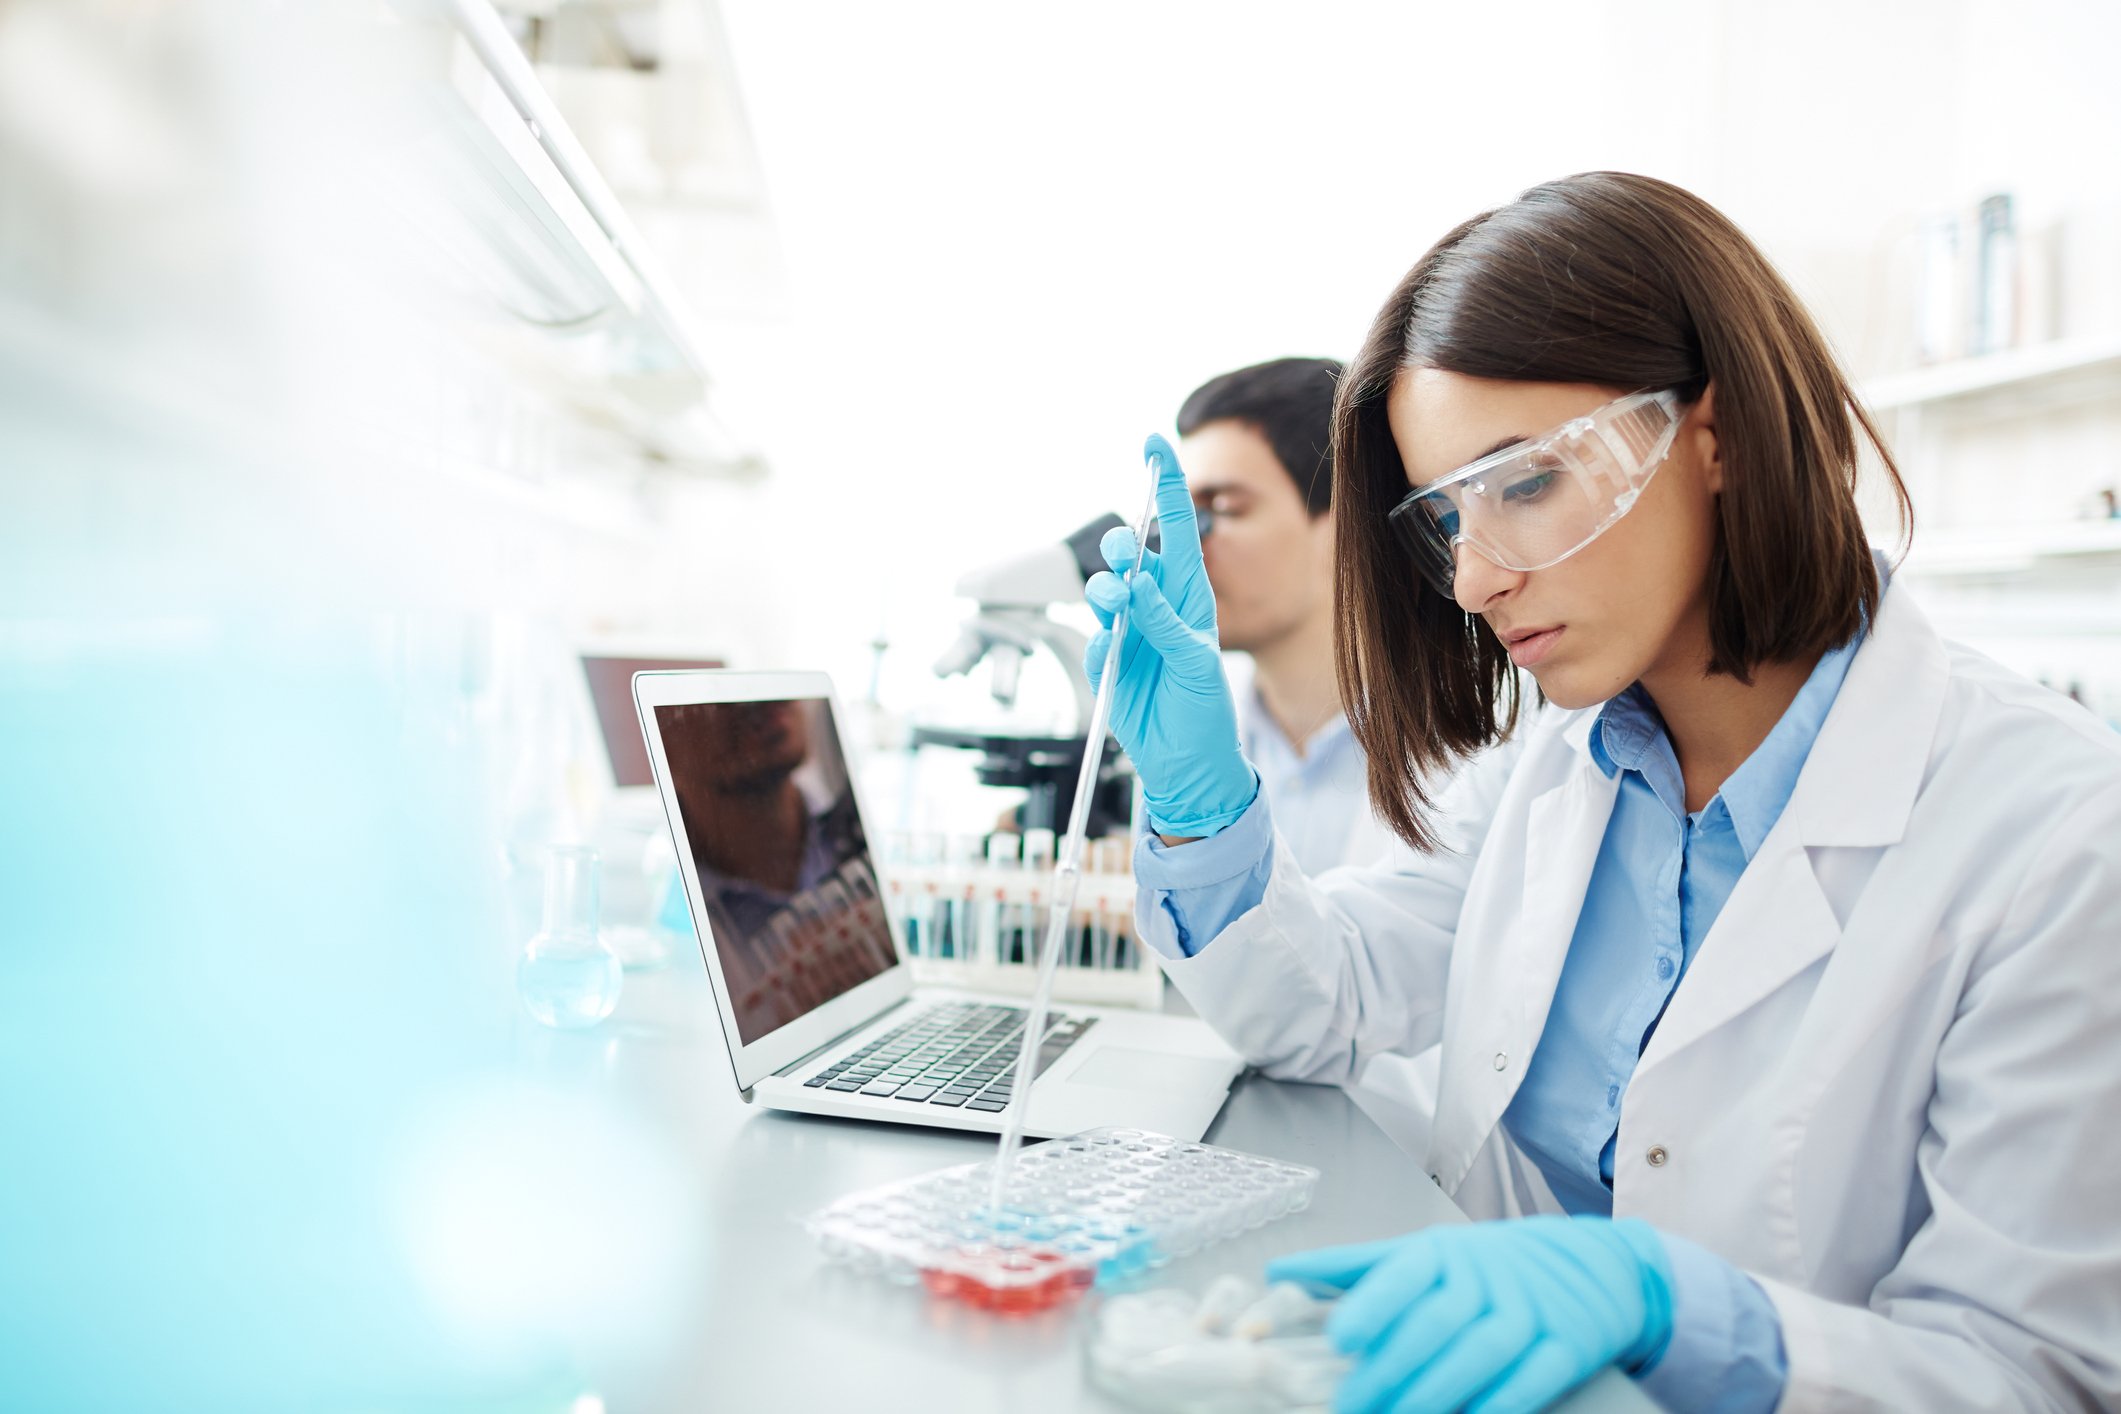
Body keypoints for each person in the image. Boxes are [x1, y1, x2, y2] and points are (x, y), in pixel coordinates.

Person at [1084, 172, 2121, 1412]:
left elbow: (2033, 1375)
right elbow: (1330, 1000)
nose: (1473, 580)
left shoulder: (2058, 834)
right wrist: (1200, 805)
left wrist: (1695, 1317)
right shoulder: (1550, 761)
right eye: (1447, 519)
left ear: (1717, 438)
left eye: (1523, 484)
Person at [1173, 356, 1442, 1154]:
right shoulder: (1194, 748)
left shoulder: (1471, 750)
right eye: (1177, 517)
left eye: (1220, 510)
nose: (1185, 550)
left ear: (1344, 519)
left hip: (1393, 1162)